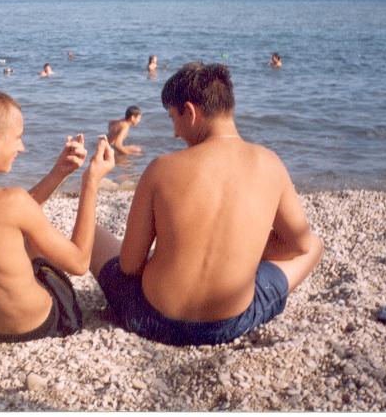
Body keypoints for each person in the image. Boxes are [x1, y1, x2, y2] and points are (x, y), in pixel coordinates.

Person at [89, 62, 323, 346]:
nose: (175, 133)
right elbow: (299, 245)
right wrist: (243, 248)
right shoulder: (270, 163)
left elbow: (129, 266)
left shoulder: (161, 168)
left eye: (173, 118)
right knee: (315, 244)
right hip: (230, 324)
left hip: (152, 319)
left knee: (92, 235)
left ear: (190, 112)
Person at [0, 89, 115, 341]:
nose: (22, 147)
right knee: (34, 245)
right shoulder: (13, 201)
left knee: (12, 235)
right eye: (17, 137)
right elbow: (80, 263)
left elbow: (9, 215)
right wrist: (91, 182)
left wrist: (58, 173)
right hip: (32, 325)